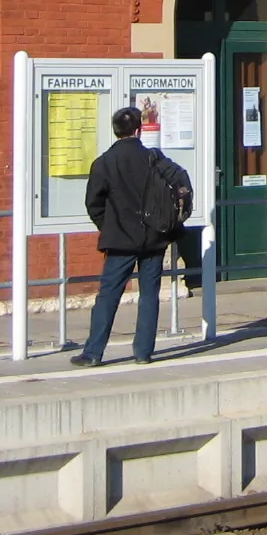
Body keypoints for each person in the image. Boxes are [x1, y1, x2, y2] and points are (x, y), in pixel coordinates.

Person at [72, 106, 193, 366]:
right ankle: (143, 352)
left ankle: (93, 353)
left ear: (115, 131)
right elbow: (180, 181)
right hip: (154, 237)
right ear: (139, 130)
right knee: (149, 294)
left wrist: (109, 226)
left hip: (120, 239)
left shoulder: (104, 162)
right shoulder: (154, 158)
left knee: (108, 295)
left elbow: (94, 203)